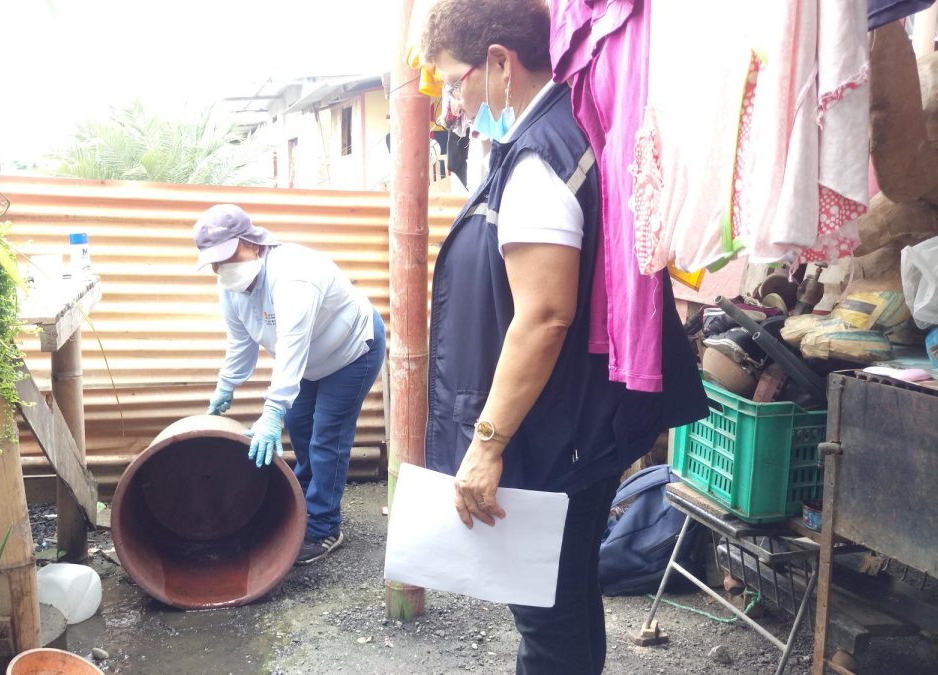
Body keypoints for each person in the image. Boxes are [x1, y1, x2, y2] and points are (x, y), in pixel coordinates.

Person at [420, 1, 707, 673]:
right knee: (567, 600)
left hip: (549, 435)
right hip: (571, 426)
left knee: (548, 621)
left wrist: (486, 445)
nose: (452, 104)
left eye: (454, 82)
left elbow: (545, 314)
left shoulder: (540, 158)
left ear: (499, 62)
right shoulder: (555, 134)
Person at [193, 204, 386, 565]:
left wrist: (271, 411)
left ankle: (324, 526)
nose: (223, 269)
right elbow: (241, 343)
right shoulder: (232, 289)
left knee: (327, 434)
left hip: (351, 352)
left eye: (228, 256)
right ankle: (304, 501)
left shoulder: (293, 275)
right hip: (306, 364)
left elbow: (291, 347)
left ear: (252, 244)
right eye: (215, 262)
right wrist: (226, 386)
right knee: (299, 426)